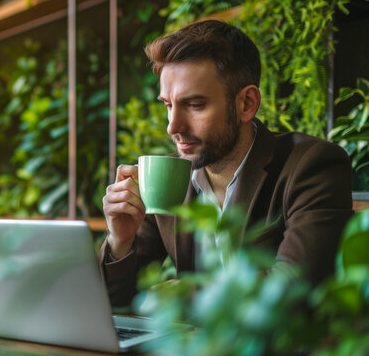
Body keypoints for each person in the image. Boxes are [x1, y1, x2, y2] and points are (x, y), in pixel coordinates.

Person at [99, 19, 354, 307]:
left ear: (246, 103)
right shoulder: (167, 177)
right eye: (168, 105)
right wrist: (119, 242)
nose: (173, 126)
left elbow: (292, 289)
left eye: (195, 105)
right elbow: (115, 302)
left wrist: (182, 294)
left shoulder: (312, 165)